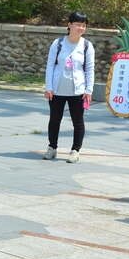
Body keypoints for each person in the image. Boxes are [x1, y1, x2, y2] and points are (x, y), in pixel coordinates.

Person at [41, 12, 94, 163]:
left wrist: (88, 90)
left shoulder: (86, 46)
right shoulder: (58, 43)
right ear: (69, 25)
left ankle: (75, 150)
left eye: (83, 25)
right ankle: (52, 148)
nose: (81, 28)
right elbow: (50, 66)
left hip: (78, 91)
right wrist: (48, 87)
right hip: (57, 90)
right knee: (54, 120)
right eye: (78, 24)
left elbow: (90, 69)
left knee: (78, 121)